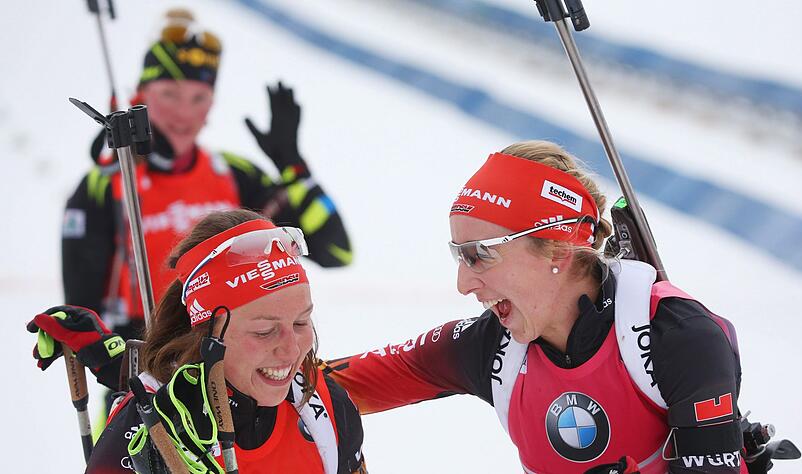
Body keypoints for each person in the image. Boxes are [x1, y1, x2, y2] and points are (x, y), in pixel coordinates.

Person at [323, 141, 746, 473]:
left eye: (479, 255)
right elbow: (324, 388)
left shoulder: (675, 336)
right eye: (459, 255)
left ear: (558, 250)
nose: (463, 284)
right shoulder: (492, 346)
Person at [62, 8, 352, 345]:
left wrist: (293, 166)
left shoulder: (234, 175)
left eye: (198, 97)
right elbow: (81, 318)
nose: (184, 112)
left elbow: (336, 252)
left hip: (232, 362)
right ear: (141, 96)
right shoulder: (106, 184)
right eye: (170, 94)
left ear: (212, 104)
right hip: (143, 364)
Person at [31, 209, 366, 473]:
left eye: (301, 322)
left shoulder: (324, 410)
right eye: (264, 331)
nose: (292, 350)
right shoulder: (151, 426)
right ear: (207, 333)